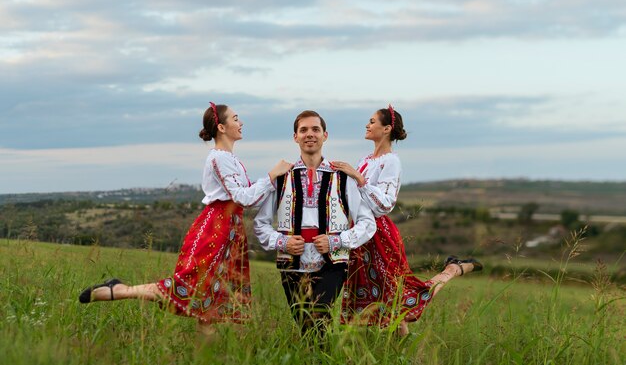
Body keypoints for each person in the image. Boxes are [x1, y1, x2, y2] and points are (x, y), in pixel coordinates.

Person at [78, 102, 293, 333]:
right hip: (216, 228)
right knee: (190, 285)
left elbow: (253, 198)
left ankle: (205, 356)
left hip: (231, 229)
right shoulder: (218, 158)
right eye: (236, 118)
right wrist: (271, 176)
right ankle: (121, 290)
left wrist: (278, 183)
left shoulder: (233, 160)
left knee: (214, 298)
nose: (241, 123)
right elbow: (243, 198)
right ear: (221, 127)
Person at [331, 105, 482, 335]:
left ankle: (453, 270)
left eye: (372, 121)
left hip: (379, 234)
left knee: (401, 293)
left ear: (387, 128)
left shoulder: (392, 161)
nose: (367, 125)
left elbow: (385, 204)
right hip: (360, 234)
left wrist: (358, 177)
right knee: (387, 299)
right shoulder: (365, 159)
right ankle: (400, 349)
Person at [254, 110, 376, 336]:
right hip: (292, 263)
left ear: (325, 135)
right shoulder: (282, 177)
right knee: (305, 326)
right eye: (303, 130)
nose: (310, 134)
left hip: (332, 262)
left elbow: (367, 223)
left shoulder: (343, 176)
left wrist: (337, 241)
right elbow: (260, 224)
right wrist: (282, 242)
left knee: (319, 316)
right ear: (295, 137)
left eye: (315, 129)